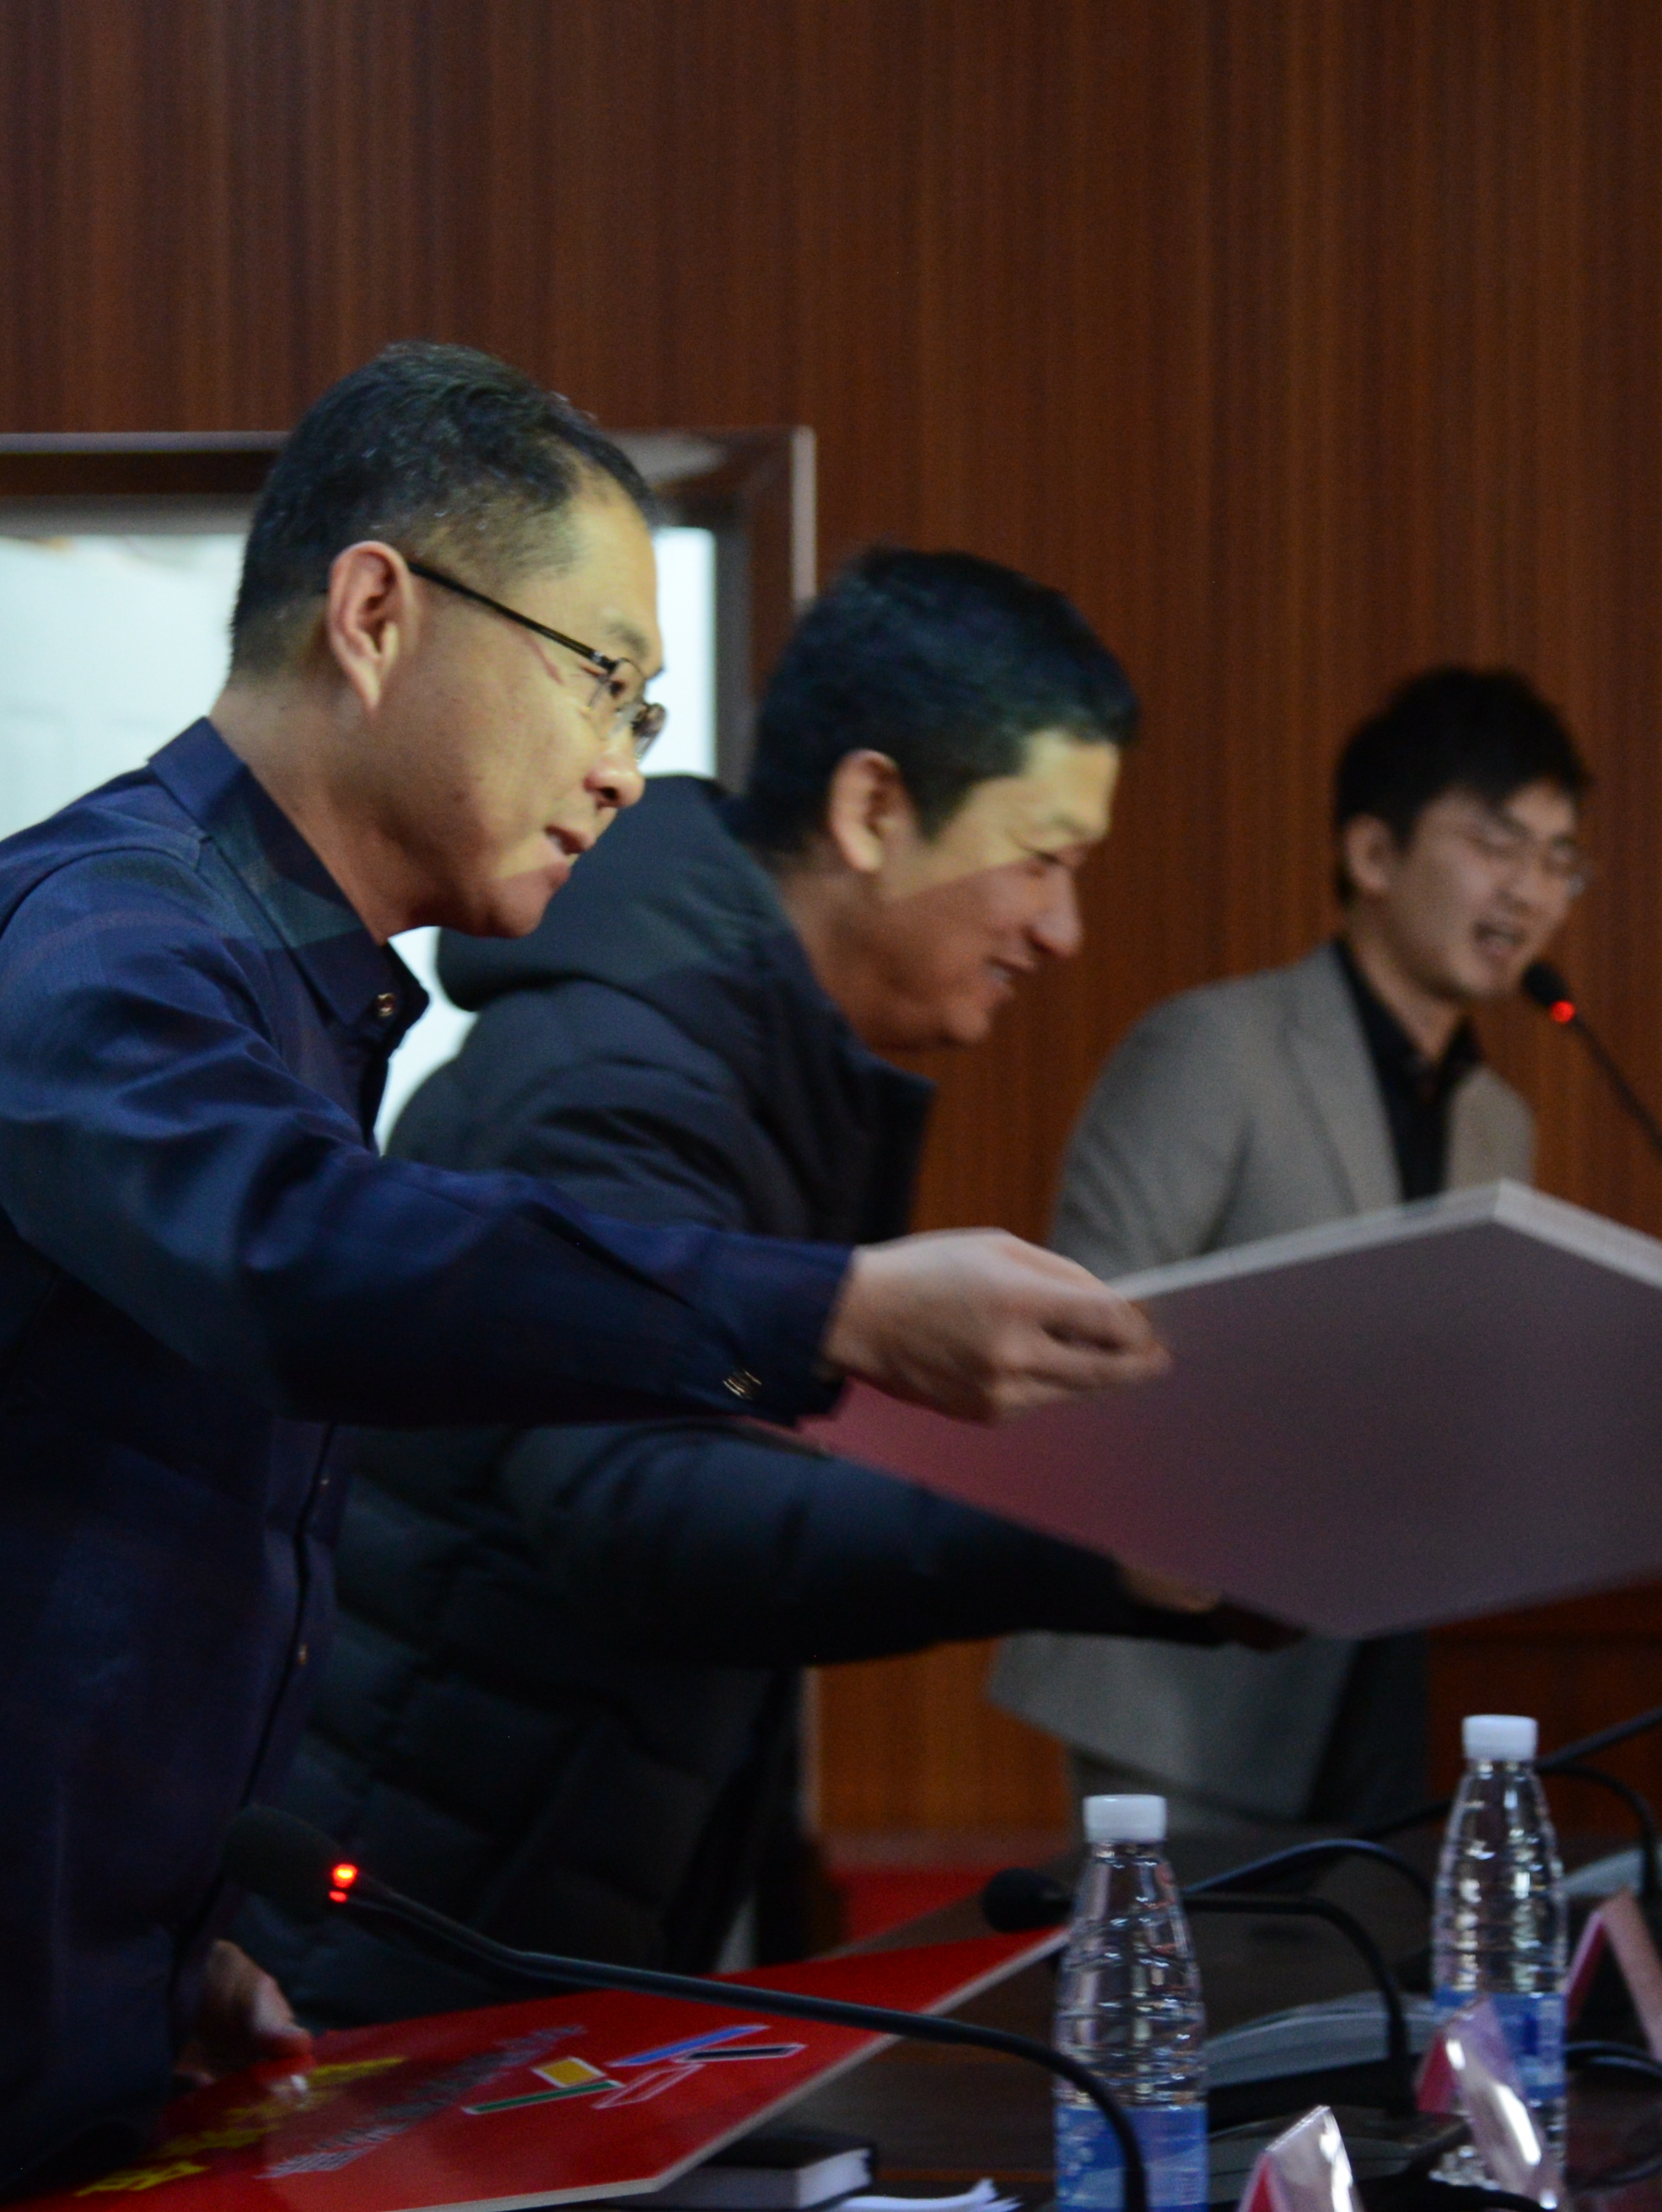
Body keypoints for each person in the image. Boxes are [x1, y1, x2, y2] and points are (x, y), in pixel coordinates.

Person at [0, 344, 1169, 2212]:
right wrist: (828, 1307)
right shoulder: (109, 930)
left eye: (647, 704)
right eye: (600, 677)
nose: (625, 766)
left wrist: (155, 1940)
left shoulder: (287, 985)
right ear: (376, 615)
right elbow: (291, 1261)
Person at [248, 550, 1274, 2026]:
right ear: (873, 811)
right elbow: (635, 1507)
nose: (1062, 929)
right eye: (1042, 858)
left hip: (516, 1902)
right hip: (395, 1948)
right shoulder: (621, 1073)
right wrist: (1097, 1544)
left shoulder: (748, 1061)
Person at [992, 668, 1590, 1838]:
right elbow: (1078, 1340)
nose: (1530, 890)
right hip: (1191, 1676)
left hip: (1402, 1675)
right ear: (1373, 854)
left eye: (1560, 859)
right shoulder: (1214, 1050)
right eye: (1496, 844)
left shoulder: (1497, 1122)